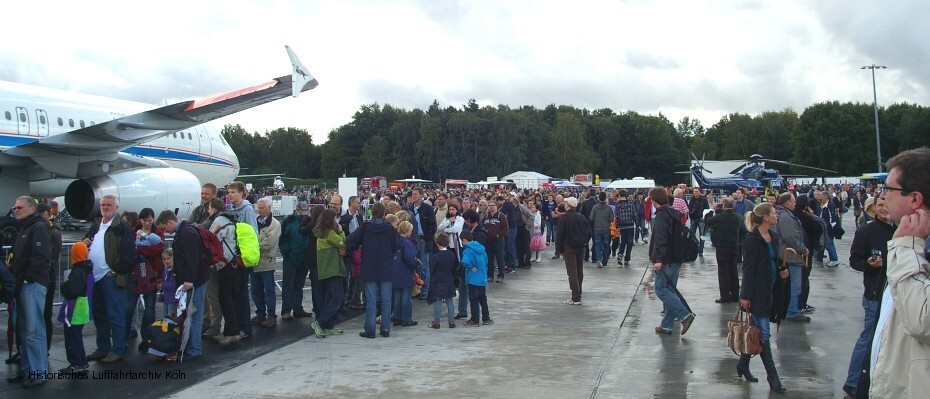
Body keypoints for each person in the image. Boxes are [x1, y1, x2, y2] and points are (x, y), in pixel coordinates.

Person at [868, 148, 930, 398]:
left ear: (914, 199)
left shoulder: (910, 247)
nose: (881, 197)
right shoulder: (906, 241)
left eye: (887, 189)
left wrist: (906, 251)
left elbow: (922, 321)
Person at [842, 195, 893, 396]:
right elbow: (854, 260)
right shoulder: (866, 232)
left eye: (886, 204)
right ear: (873, 208)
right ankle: (854, 381)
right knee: (869, 337)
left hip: (898, 293)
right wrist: (869, 266)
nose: (884, 208)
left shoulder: (902, 230)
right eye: (879, 205)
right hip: (875, 293)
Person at [737, 202, 788, 393]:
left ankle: (743, 363)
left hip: (772, 289)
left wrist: (783, 272)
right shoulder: (752, 240)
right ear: (766, 217)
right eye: (774, 213)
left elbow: (776, 260)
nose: (776, 216)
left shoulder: (773, 236)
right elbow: (748, 269)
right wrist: (745, 296)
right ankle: (773, 378)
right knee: (764, 334)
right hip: (757, 293)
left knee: (756, 332)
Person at [83, 195, 134, 364]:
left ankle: (117, 349)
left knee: (115, 314)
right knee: (99, 315)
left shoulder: (122, 227)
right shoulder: (97, 226)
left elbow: (128, 253)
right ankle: (103, 347)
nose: (105, 207)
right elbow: (87, 241)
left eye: (109, 205)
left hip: (110, 277)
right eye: (103, 204)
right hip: (95, 277)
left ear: (116, 207)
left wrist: (116, 269)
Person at [6, 196, 51, 387]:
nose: (15, 210)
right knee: (25, 330)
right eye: (15, 207)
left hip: (31, 285)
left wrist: (28, 278)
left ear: (32, 209)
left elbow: (41, 256)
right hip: (22, 285)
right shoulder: (25, 227)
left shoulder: (38, 227)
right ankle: (27, 370)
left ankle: (39, 373)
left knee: (34, 330)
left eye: (20, 207)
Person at [155, 210, 209, 361]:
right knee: (192, 314)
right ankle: (192, 347)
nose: (166, 232)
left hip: (194, 281)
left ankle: (194, 349)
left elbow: (193, 258)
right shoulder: (188, 231)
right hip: (196, 279)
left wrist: (189, 279)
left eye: (165, 228)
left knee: (194, 314)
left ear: (170, 222)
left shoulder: (185, 234)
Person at [346, 202, 398, 339]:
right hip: (385, 267)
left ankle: (370, 329)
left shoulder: (365, 228)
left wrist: (356, 249)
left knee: (371, 300)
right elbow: (396, 245)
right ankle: (385, 328)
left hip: (369, 267)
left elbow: (350, 240)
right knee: (386, 300)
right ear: (384, 214)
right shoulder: (389, 229)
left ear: (371, 213)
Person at [649, 187, 696, 335]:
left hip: (666, 258)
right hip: (676, 257)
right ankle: (667, 325)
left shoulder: (662, 216)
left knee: (660, 289)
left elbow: (661, 239)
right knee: (670, 289)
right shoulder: (674, 213)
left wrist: (658, 259)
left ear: (654, 200)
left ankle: (685, 315)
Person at [128, 208, 164, 352]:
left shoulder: (158, 233)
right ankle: (124, 335)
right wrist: (147, 248)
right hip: (134, 275)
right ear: (140, 220)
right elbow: (130, 248)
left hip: (151, 275)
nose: (147, 223)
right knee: (128, 308)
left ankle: (147, 338)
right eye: (144, 221)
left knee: (149, 310)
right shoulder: (133, 231)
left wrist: (140, 250)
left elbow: (158, 248)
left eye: (149, 220)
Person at [772, 193, 811, 323]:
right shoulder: (785, 217)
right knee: (794, 286)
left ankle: (790, 310)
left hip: (789, 255)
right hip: (790, 256)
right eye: (793, 201)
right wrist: (802, 249)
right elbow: (790, 237)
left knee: (792, 285)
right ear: (787, 202)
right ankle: (792, 311)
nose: (795, 204)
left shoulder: (783, 215)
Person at [57, 241, 93, 376]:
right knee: (76, 335)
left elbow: (74, 290)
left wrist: (65, 287)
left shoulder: (78, 270)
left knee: (72, 336)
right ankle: (81, 361)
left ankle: (76, 362)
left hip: (75, 307)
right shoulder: (87, 268)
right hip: (83, 306)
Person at [310, 209, 347, 338]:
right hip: (333, 269)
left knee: (329, 297)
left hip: (325, 269)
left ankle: (328, 325)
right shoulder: (330, 234)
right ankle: (320, 322)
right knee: (338, 297)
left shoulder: (320, 233)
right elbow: (343, 243)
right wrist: (341, 231)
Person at [704, 198, 745, 303]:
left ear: (723, 206)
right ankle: (735, 295)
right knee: (733, 270)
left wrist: (712, 210)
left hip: (722, 246)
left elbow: (707, 221)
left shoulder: (719, 217)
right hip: (734, 245)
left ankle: (725, 296)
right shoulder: (738, 217)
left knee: (723, 272)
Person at [251, 198, 281, 327]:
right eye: (258, 207)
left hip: (266, 262)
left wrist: (252, 247)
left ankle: (271, 315)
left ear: (269, 209)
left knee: (269, 290)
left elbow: (269, 243)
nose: (259, 210)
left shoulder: (275, 224)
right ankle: (260, 314)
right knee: (255, 290)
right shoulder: (255, 222)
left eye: (262, 207)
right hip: (254, 262)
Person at [280, 202, 312, 320]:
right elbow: (282, 239)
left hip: (304, 258)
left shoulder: (309, 221)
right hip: (291, 257)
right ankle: (286, 310)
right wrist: (287, 253)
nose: (303, 215)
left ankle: (298, 308)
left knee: (299, 285)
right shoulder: (288, 221)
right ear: (297, 210)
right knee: (288, 285)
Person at [556, 197, 588, 305]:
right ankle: (579, 292)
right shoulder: (581, 217)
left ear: (567, 205)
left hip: (569, 247)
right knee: (579, 270)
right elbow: (589, 231)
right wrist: (585, 241)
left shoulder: (563, 218)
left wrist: (560, 249)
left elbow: (559, 235)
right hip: (581, 246)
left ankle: (575, 297)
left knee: (572, 272)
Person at [408, 188, 436, 299]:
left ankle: (425, 290)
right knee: (416, 265)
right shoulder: (410, 209)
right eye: (412, 194)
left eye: (416, 194)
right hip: (413, 240)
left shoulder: (428, 209)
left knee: (424, 266)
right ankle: (417, 289)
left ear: (421, 195)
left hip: (423, 240)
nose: (414, 196)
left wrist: (426, 238)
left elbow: (433, 226)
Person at [460, 230, 493, 327]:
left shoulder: (467, 250)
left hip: (473, 278)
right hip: (482, 277)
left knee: (473, 299)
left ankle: (475, 319)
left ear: (465, 240)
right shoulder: (481, 248)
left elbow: (465, 261)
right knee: (483, 298)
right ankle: (486, 318)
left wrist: (470, 267)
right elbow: (486, 260)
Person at [391, 221, 419, 328]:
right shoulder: (407, 243)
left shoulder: (395, 241)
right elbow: (410, 259)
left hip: (395, 273)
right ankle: (406, 319)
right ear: (407, 231)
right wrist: (416, 264)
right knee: (406, 298)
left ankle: (396, 318)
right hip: (405, 273)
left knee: (397, 297)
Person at [427, 233, 457, 329]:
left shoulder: (435, 257)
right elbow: (453, 268)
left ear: (437, 244)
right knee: (449, 301)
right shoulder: (452, 255)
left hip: (438, 281)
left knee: (438, 301)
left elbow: (433, 270)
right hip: (449, 280)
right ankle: (451, 321)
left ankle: (436, 322)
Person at [589, 191, 615, 268]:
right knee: (606, 245)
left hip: (597, 228)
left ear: (599, 198)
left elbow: (591, 218)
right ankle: (605, 260)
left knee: (597, 244)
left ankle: (598, 259)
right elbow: (612, 219)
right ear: (605, 198)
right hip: (606, 228)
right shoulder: (609, 208)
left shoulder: (595, 207)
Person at [688, 188, 710, 256]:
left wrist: (704, 217)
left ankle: (700, 251)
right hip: (693, 219)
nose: (695, 193)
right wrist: (691, 216)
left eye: (696, 191)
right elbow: (690, 208)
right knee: (692, 234)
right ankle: (693, 248)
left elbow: (707, 209)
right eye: (694, 192)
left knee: (702, 236)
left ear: (699, 192)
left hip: (701, 219)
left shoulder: (703, 199)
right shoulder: (692, 199)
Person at [159, 249, 179, 316]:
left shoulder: (176, 270)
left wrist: (162, 285)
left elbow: (175, 285)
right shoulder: (166, 269)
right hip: (166, 297)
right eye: (164, 259)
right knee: (165, 318)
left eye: (168, 258)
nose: (166, 261)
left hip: (174, 298)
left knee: (172, 319)